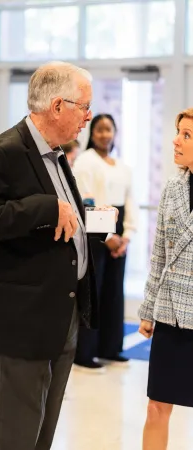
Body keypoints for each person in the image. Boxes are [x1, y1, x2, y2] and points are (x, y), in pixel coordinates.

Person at [0, 61, 115, 450]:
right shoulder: (7, 150)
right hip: (19, 325)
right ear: (58, 106)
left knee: (40, 437)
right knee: (15, 438)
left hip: (59, 317)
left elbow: (62, 222)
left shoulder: (58, 154)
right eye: (84, 106)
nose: (89, 117)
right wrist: (43, 208)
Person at [138, 107, 193, 450]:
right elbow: (159, 253)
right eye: (178, 132)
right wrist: (148, 308)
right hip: (171, 315)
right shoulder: (173, 188)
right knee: (157, 407)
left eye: (186, 135)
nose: (175, 140)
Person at [72, 114, 137, 372]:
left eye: (108, 129)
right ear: (92, 133)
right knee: (94, 293)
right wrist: (108, 237)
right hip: (95, 230)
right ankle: (85, 353)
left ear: (115, 132)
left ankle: (111, 348)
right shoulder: (84, 162)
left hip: (119, 231)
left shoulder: (123, 167)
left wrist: (126, 237)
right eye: (99, 130)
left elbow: (130, 201)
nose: (104, 134)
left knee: (114, 292)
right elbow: (86, 202)